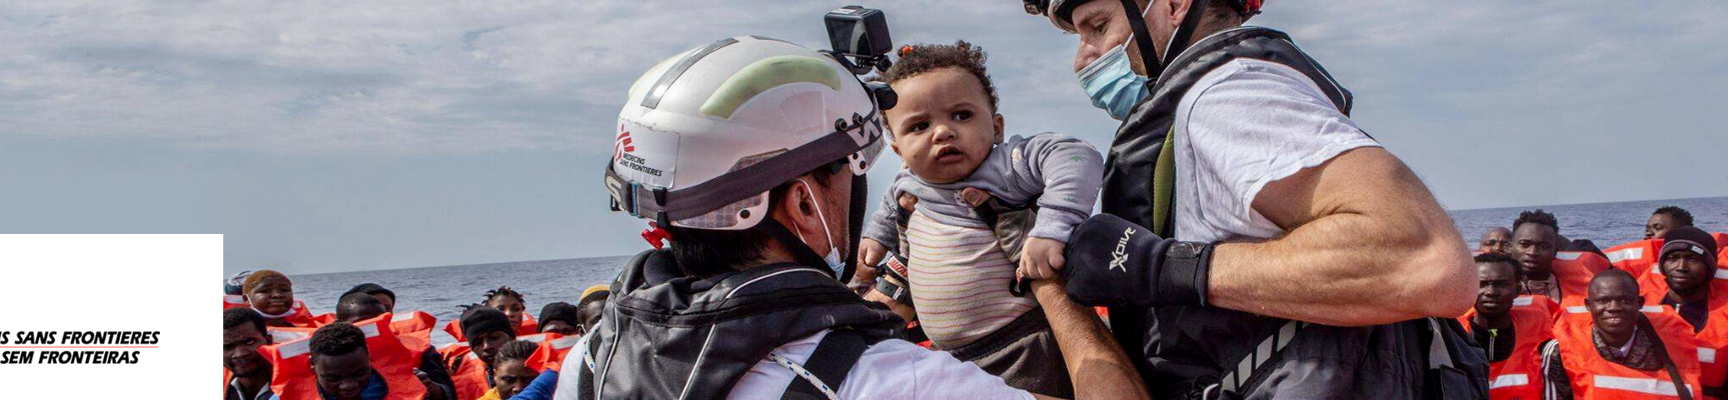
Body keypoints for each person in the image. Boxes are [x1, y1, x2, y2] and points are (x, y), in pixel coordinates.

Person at [564, 35, 1143, 400]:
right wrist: (1051, 286)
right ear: (801, 207)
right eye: (846, 171)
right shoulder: (887, 382)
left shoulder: (593, 358)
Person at [1021, 0, 1482, 398]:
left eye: (1099, 27)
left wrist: (1159, 267)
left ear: (1175, 5)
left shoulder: (1229, 94)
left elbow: (1427, 261)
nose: (1083, 61)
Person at [851, 40, 1104, 397]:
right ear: (898, 151)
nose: (943, 132)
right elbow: (888, 211)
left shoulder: (1005, 168)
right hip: (952, 357)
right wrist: (875, 241)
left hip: (1022, 345)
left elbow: (1076, 156)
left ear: (997, 127)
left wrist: (1052, 227)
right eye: (920, 126)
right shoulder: (908, 185)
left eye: (962, 115)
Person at [1543, 269, 1703, 400]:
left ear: (1639, 303)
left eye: (1625, 301)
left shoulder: (1668, 346)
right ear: (1588, 305)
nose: (1614, 307)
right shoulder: (1560, 351)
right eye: (1603, 301)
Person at [1640, 227, 1728, 399]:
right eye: (1673, 258)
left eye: (1692, 259)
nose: (1681, 267)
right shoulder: (1638, 305)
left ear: (1709, 267)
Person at [1461, 253, 1556, 400]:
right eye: (1482, 284)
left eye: (1501, 284)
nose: (1491, 292)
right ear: (1468, 288)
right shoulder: (1450, 334)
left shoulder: (1546, 336)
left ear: (1517, 290)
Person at [336, 293, 457, 397]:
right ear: (339, 324)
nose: (374, 327)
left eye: (380, 321)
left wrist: (430, 385)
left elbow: (449, 394)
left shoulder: (420, 350)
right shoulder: (329, 356)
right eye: (365, 323)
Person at [308, 322, 445, 400]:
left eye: (358, 373)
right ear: (312, 365)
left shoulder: (407, 381)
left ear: (368, 355)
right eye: (333, 378)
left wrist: (435, 391)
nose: (348, 386)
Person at [1510, 209, 1613, 301]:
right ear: (1510, 247)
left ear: (1555, 251)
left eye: (1544, 246)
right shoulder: (1499, 291)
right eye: (1524, 244)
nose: (1532, 252)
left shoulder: (1586, 289)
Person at [448, 306, 513, 400]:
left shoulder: (537, 371)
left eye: (494, 337)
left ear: (512, 337)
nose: (486, 346)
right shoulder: (461, 384)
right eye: (477, 342)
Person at [227, 308, 279, 400]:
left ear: (268, 341)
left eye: (249, 342)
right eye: (227, 347)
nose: (240, 354)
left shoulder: (300, 386)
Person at [245, 270, 319, 328]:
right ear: (246, 299)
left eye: (284, 290)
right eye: (265, 291)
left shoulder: (313, 327)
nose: (277, 295)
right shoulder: (244, 333)